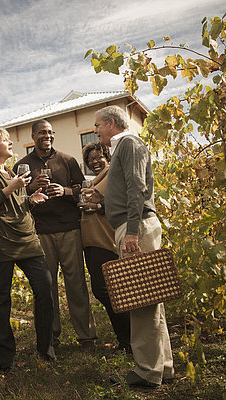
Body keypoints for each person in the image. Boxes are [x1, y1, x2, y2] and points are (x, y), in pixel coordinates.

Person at [89, 105, 174, 388]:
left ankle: (148, 372)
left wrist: (133, 232)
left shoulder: (129, 143)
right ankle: (163, 366)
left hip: (135, 227)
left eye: (98, 125)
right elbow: (127, 189)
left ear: (111, 123)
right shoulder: (123, 147)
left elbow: (137, 186)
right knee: (150, 298)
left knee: (141, 301)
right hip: (130, 225)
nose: (96, 130)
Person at [0, 127, 56, 373]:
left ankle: (46, 347)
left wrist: (30, 199)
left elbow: (14, 203)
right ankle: (6, 359)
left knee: (44, 287)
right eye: (5, 140)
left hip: (27, 239)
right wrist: (11, 186)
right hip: (1, 241)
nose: (10, 143)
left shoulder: (9, 171)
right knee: (0, 300)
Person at [14, 119, 97, 351]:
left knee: (77, 284)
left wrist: (65, 191)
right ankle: (51, 337)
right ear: (33, 137)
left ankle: (87, 337)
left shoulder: (67, 160)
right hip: (40, 233)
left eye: (50, 132)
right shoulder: (22, 165)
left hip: (70, 229)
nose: (47, 136)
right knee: (46, 287)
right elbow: (16, 199)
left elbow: (84, 190)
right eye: (42, 132)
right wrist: (31, 188)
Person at [79, 142, 131, 352]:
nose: (94, 162)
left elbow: (117, 204)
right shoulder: (95, 181)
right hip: (92, 242)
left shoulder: (112, 176)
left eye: (98, 157)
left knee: (108, 291)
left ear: (107, 157)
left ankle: (129, 340)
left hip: (105, 241)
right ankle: (125, 340)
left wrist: (97, 207)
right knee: (105, 291)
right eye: (90, 160)